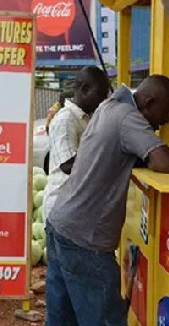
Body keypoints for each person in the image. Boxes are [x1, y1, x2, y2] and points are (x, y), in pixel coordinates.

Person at [42, 75, 169, 326]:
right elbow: (161, 161)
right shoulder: (129, 117)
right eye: (165, 111)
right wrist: (154, 150)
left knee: (62, 318)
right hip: (85, 239)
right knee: (106, 323)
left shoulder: (107, 108)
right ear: (148, 103)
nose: (165, 121)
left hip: (60, 225)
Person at [43, 67, 110, 221]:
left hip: (74, 207)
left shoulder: (86, 118)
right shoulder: (66, 119)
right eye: (100, 94)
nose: (103, 100)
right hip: (62, 207)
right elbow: (68, 166)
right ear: (85, 89)